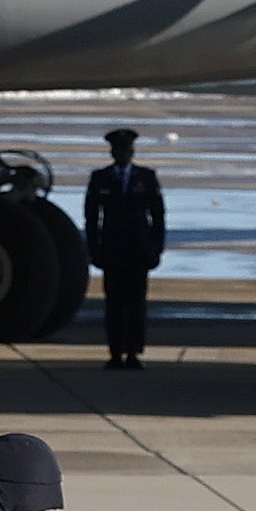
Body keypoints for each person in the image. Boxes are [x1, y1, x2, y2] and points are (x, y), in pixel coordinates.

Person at [82, 126, 167, 372]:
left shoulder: (146, 177)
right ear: (112, 152)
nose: (122, 154)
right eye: (118, 150)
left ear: (132, 152)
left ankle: (133, 351)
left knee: (137, 303)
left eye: (126, 150)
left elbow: (158, 215)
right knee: (114, 304)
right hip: (112, 250)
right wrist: (94, 247)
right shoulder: (101, 177)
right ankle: (115, 351)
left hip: (139, 250)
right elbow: (91, 216)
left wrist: (156, 247)